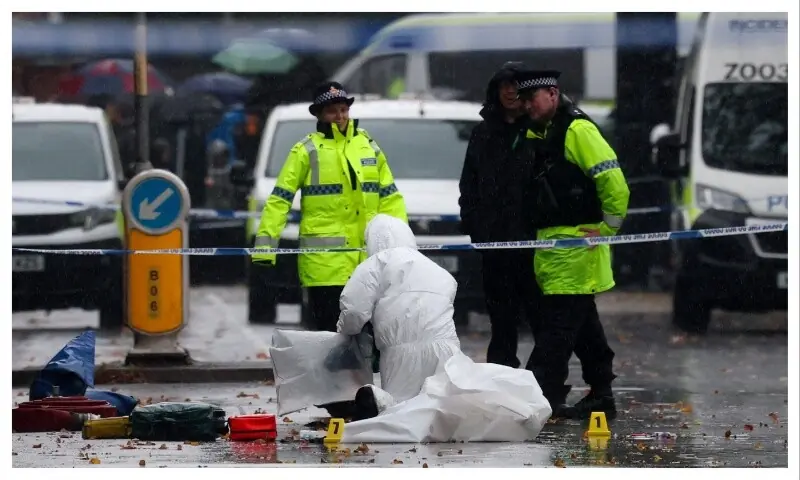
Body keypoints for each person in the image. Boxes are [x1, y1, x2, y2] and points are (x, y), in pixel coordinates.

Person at [513, 69, 630, 420]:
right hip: (554, 253)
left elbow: (615, 183)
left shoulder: (578, 130)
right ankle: (601, 393)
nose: (527, 106)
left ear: (552, 94)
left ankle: (535, 397)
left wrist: (607, 231)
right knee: (583, 327)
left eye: (532, 99)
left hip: (577, 252)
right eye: (523, 101)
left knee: (557, 331)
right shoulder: (541, 133)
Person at [251, 82, 408, 332]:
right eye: (333, 111)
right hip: (324, 266)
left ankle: (362, 372)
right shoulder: (306, 151)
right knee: (330, 336)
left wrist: (402, 246)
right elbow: (280, 198)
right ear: (319, 114)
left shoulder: (368, 146)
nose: (340, 116)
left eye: (344, 110)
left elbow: (390, 197)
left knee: (371, 336)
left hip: (366, 260)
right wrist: (265, 248)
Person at [336, 214, 462, 420]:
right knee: (441, 406)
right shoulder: (438, 270)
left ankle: (374, 400)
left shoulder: (376, 263)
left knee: (401, 410)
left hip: (400, 350)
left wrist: (344, 334)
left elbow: (354, 312)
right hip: (446, 347)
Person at [458, 61, 541, 368]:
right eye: (504, 86)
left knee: (540, 317)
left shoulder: (539, 129)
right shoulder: (483, 133)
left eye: (517, 85)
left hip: (534, 240)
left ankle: (543, 382)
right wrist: (477, 227)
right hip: (495, 242)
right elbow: (470, 184)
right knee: (501, 318)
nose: (510, 92)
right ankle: (501, 374)